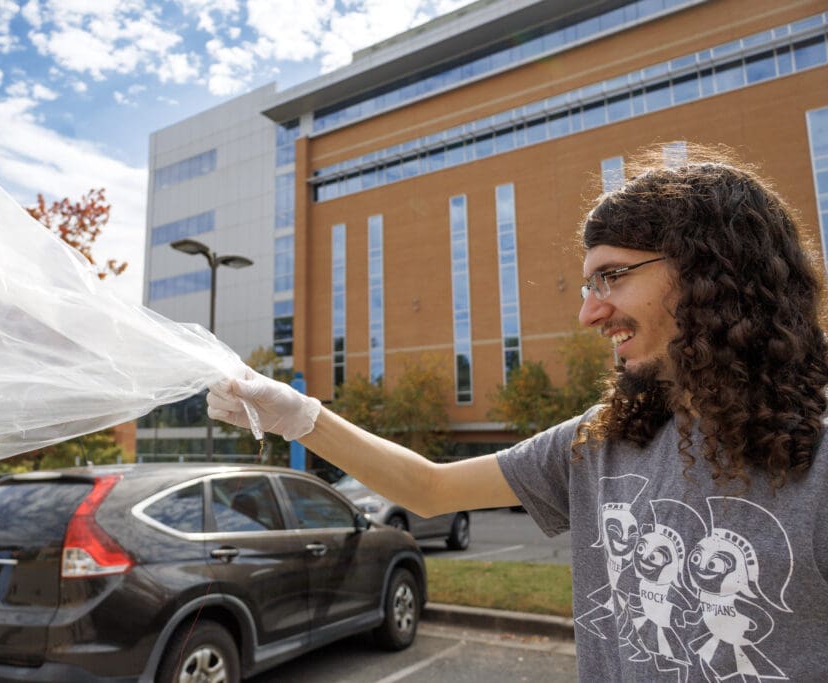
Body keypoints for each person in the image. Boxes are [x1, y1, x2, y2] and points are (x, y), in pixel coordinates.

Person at [207, 146, 828, 680]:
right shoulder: (600, 440)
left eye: (611, 276)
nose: (589, 312)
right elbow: (429, 487)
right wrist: (300, 417)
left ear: (711, 272)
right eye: (588, 286)